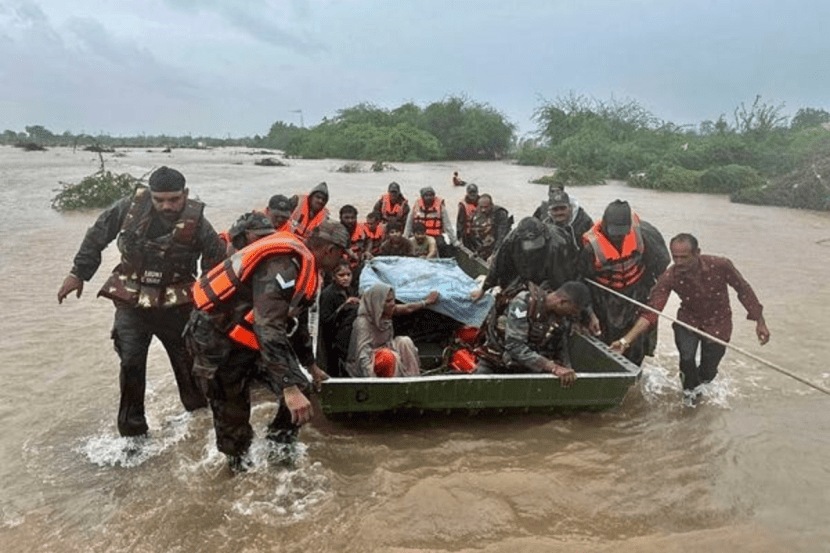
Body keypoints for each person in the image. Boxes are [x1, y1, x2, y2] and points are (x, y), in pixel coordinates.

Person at [56, 166, 226, 437]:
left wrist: (216, 311)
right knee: (131, 363)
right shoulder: (128, 209)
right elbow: (96, 236)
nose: (166, 206)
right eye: (160, 200)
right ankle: (132, 435)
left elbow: (216, 265)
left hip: (177, 307)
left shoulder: (198, 223)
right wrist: (78, 273)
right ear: (151, 195)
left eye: (173, 199)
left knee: (190, 369)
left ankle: (199, 427)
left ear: (185, 194)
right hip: (132, 304)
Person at [186, 221, 349, 472]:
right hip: (217, 340)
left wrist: (310, 366)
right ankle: (237, 469)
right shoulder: (282, 266)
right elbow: (268, 326)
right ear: (329, 250)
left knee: (302, 387)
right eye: (342, 253)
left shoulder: (309, 269)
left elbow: (295, 322)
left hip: (253, 337)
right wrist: (287, 385)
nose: (344, 259)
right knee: (234, 416)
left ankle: (278, 445)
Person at [611, 233, 770, 405]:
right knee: (687, 359)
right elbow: (651, 312)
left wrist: (760, 321)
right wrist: (625, 340)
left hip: (719, 322)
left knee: (708, 373)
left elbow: (743, 289)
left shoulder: (720, 265)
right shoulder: (670, 276)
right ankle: (688, 396)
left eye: (684, 257)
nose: (678, 262)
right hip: (688, 321)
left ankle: (700, 388)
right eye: (675, 257)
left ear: (697, 253)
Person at [579, 200, 670, 365]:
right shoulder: (590, 247)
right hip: (605, 296)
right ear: (605, 224)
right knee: (604, 338)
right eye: (614, 232)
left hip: (636, 292)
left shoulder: (645, 234)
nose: (618, 236)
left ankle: (635, 367)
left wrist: (654, 293)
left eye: (622, 232)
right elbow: (582, 279)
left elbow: (661, 264)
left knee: (638, 339)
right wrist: (590, 312)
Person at [475, 281, 592, 387]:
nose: (571, 315)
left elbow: (561, 347)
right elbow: (515, 346)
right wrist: (553, 367)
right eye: (572, 311)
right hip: (496, 361)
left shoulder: (559, 318)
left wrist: (567, 369)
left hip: (526, 367)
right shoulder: (523, 302)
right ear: (562, 302)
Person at [345, 283, 439, 378]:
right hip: (370, 361)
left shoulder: (386, 311)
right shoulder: (363, 323)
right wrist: (372, 381)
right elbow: (362, 355)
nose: (393, 304)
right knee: (388, 356)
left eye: (393, 300)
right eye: (388, 301)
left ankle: (413, 378)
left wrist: (426, 302)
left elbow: (408, 308)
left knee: (404, 342)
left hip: (387, 349)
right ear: (379, 303)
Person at [471, 217, 575, 301]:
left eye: (536, 242)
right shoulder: (511, 239)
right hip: (524, 274)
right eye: (529, 244)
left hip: (550, 275)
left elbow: (563, 278)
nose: (532, 247)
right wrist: (483, 290)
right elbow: (497, 266)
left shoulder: (558, 245)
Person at [318, 260, 360, 377]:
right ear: (333, 276)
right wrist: (343, 307)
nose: (345, 278)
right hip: (332, 341)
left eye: (348, 275)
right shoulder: (328, 294)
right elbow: (325, 320)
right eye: (341, 275)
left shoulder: (349, 290)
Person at [404, 186, 457, 257]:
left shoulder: (440, 207)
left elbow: (447, 225)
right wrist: (405, 238)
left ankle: (442, 262)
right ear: (422, 197)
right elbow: (409, 224)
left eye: (431, 195)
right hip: (419, 235)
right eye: (426, 195)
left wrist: (454, 241)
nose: (429, 197)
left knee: (441, 245)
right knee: (409, 246)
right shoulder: (416, 206)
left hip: (435, 235)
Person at [466, 193, 512, 261]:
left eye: (486, 207)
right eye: (481, 207)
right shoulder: (477, 214)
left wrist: (494, 254)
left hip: (501, 246)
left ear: (491, 205)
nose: (483, 210)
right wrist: (476, 252)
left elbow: (502, 236)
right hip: (487, 244)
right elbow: (477, 234)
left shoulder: (500, 213)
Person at [339, 204, 365, 270]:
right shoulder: (335, 231)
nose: (350, 221)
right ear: (340, 218)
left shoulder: (362, 229)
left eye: (352, 218)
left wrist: (367, 251)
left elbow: (369, 241)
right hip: (341, 266)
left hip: (359, 264)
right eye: (346, 218)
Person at [456, 183, 479, 249]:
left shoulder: (482, 202)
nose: (472, 194)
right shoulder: (463, 205)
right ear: (467, 193)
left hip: (481, 232)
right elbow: (460, 223)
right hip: (468, 233)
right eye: (470, 192)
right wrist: (459, 237)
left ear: (477, 192)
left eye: (474, 192)